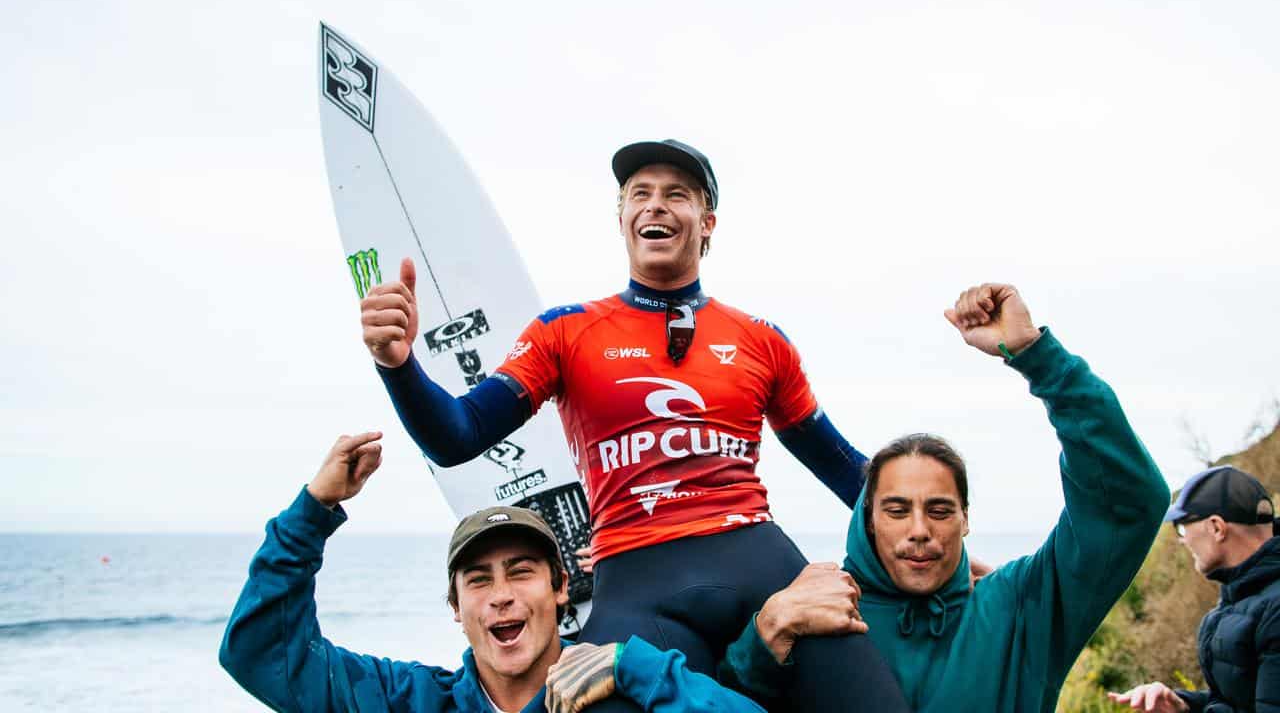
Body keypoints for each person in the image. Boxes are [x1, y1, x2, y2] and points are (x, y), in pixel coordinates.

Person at [360, 139, 909, 711]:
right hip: (638, 583)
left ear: (707, 223)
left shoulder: (762, 340)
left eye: (678, 195)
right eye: (639, 195)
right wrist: (398, 365)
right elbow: (457, 436)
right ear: (620, 219)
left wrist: (933, 549)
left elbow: (847, 471)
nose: (656, 206)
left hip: (760, 563)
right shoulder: (565, 332)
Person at [718, 283, 1171, 712]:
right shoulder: (807, 615)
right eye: (897, 510)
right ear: (869, 517)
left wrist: (1039, 358)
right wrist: (763, 637)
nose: (919, 531)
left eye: (939, 510)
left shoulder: (1020, 610)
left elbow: (1127, 503)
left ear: (965, 520)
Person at [218, 431, 769, 713]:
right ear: (457, 610)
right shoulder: (414, 700)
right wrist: (312, 512)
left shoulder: (628, 690)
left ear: (559, 589)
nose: (501, 596)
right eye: (478, 580)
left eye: (520, 571)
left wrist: (636, 668)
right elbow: (261, 654)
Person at [1108, 465, 1280, 713]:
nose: (1182, 539)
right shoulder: (1243, 597)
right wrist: (1184, 706)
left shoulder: (1273, 610)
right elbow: (1240, 701)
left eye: (1181, 526)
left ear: (1216, 527)